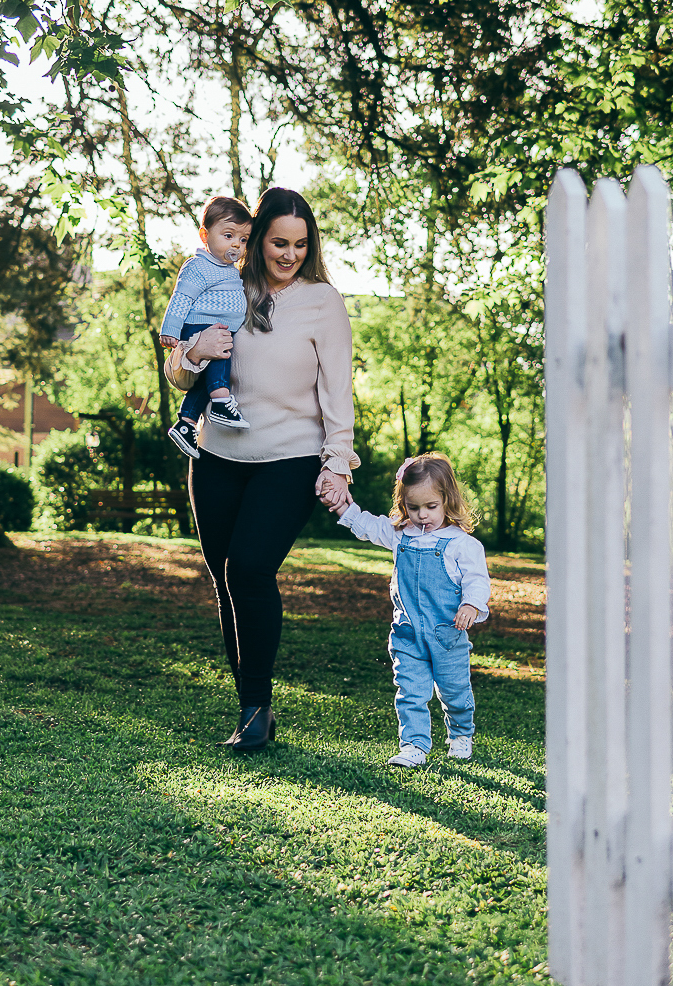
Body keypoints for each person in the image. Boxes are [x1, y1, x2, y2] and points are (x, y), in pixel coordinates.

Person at [164, 186, 357, 753]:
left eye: (300, 244)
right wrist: (193, 353)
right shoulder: (224, 284)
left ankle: (257, 706)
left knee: (249, 566)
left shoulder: (323, 300)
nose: (289, 254)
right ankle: (251, 710)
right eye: (278, 242)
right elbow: (180, 374)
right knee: (226, 580)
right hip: (218, 455)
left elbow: (337, 391)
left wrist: (338, 462)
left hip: (291, 455)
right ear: (255, 239)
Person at [325, 453, 490, 767]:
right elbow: (369, 527)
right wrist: (344, 508)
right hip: (408, 633)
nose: (422, 515)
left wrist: (471, 604)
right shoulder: (401, 535)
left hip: (448, 634)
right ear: (403, 505)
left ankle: (460, 733)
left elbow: (477, 580)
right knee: (410, 691)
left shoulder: (461, 544)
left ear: (447, 500)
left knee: (454, 691)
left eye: (430, 507)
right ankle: (414, 745)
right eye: (413, 507)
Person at [159, 195, 253, 458]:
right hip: (202, 327)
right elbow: (181, 297)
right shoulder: (198, 266)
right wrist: (171, 330)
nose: (236, 244)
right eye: (228, 235)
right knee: (219, 360)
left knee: (202, 379)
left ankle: (186, 424)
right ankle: (222, 401)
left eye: (243, 239)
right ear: (205, 235)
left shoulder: (229, 268)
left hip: (218, 328)